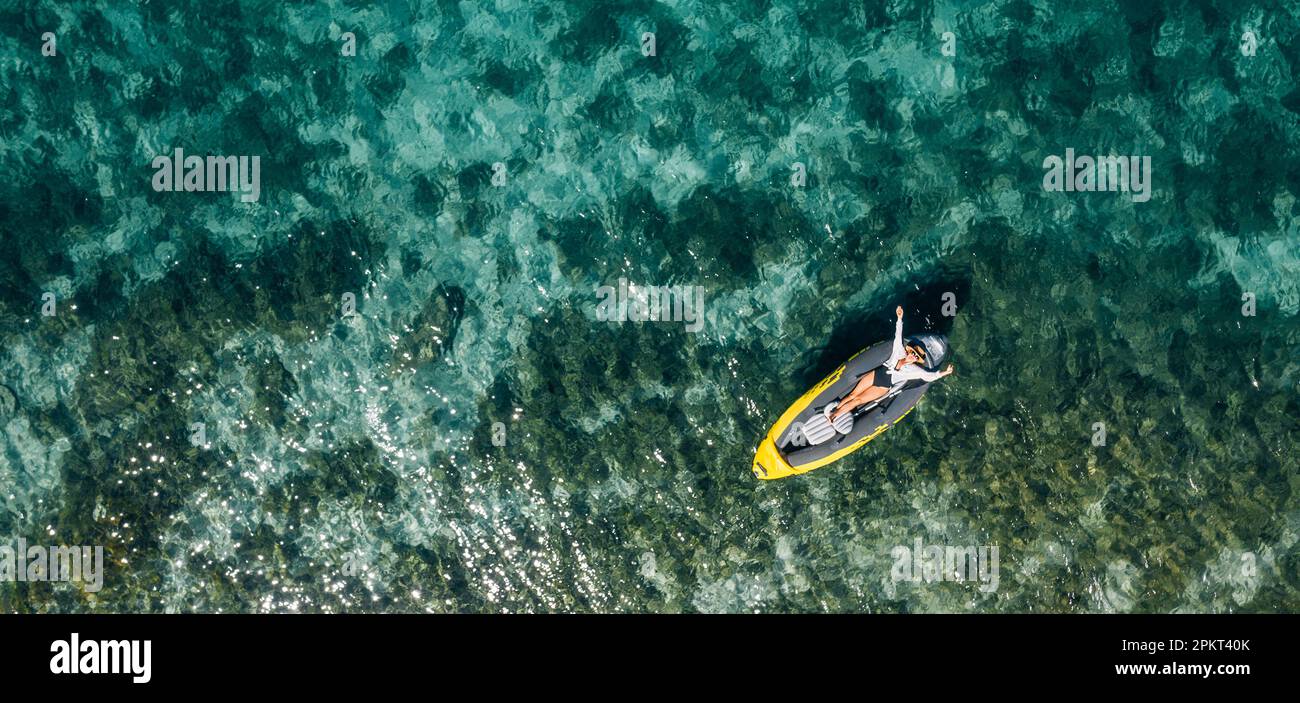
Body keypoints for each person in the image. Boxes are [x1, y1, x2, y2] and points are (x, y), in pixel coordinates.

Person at [829, 306, 953, 421]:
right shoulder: (899, 350)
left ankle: (834, 415)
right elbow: (898, 334)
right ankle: (836, 408)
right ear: (909, 350)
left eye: (916, 356)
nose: (913, 355)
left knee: (858, 400)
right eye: (913, 352)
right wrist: (899, 318)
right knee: (853, 394)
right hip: (877, 374)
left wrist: (943, 373)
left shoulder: (915, 370)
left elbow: (928, 376)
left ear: (916, 360)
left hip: (884, 386)